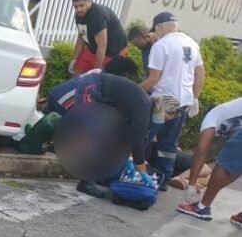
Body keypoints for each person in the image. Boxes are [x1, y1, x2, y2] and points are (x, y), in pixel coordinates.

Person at [65, 75, 179, 198]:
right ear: (163, 109)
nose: (162, 121)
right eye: (165, 118)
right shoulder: (143, 109)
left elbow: (128, 135)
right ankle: (86, 182)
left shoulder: (144, 107)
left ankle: (92, 177)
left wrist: (129, 160)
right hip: (92, 87)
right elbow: (137, 142)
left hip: (100, 91)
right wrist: (142, 172)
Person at [141, 12, 205, 186]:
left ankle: (137, 173)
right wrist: (195, 97)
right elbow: (200, 72)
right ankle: (162, 177)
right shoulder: (192, 43)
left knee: (145, 135)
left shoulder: (161, 45)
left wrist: (136, 91)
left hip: (163, 100)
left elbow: (153, 78)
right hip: (183, 101)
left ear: (159, 26)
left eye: (155, 29)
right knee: (168, 143)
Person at [177, 97, 242, 225]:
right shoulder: (230, 118)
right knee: (237, 163)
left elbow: (201, 151)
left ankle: (201, 207)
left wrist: (191, 184)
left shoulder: (212, 116)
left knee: (226, 162)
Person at [47, 56, 139, 116]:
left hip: (55, 95)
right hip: (63, 103)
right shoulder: (103, 80)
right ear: (124, 74)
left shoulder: (99, 71)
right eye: (128, 77)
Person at [69, 0, 128, 76]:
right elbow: (81, 37)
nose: (79, 9)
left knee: (101, 80)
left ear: (89, 2)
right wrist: (74, 59)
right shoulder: (79, 14)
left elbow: (102, 45)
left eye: (82, 5)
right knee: (76, 72)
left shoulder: (98, 15)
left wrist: (95, 71)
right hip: (93, 49)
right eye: (76, 6)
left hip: (112, 51)